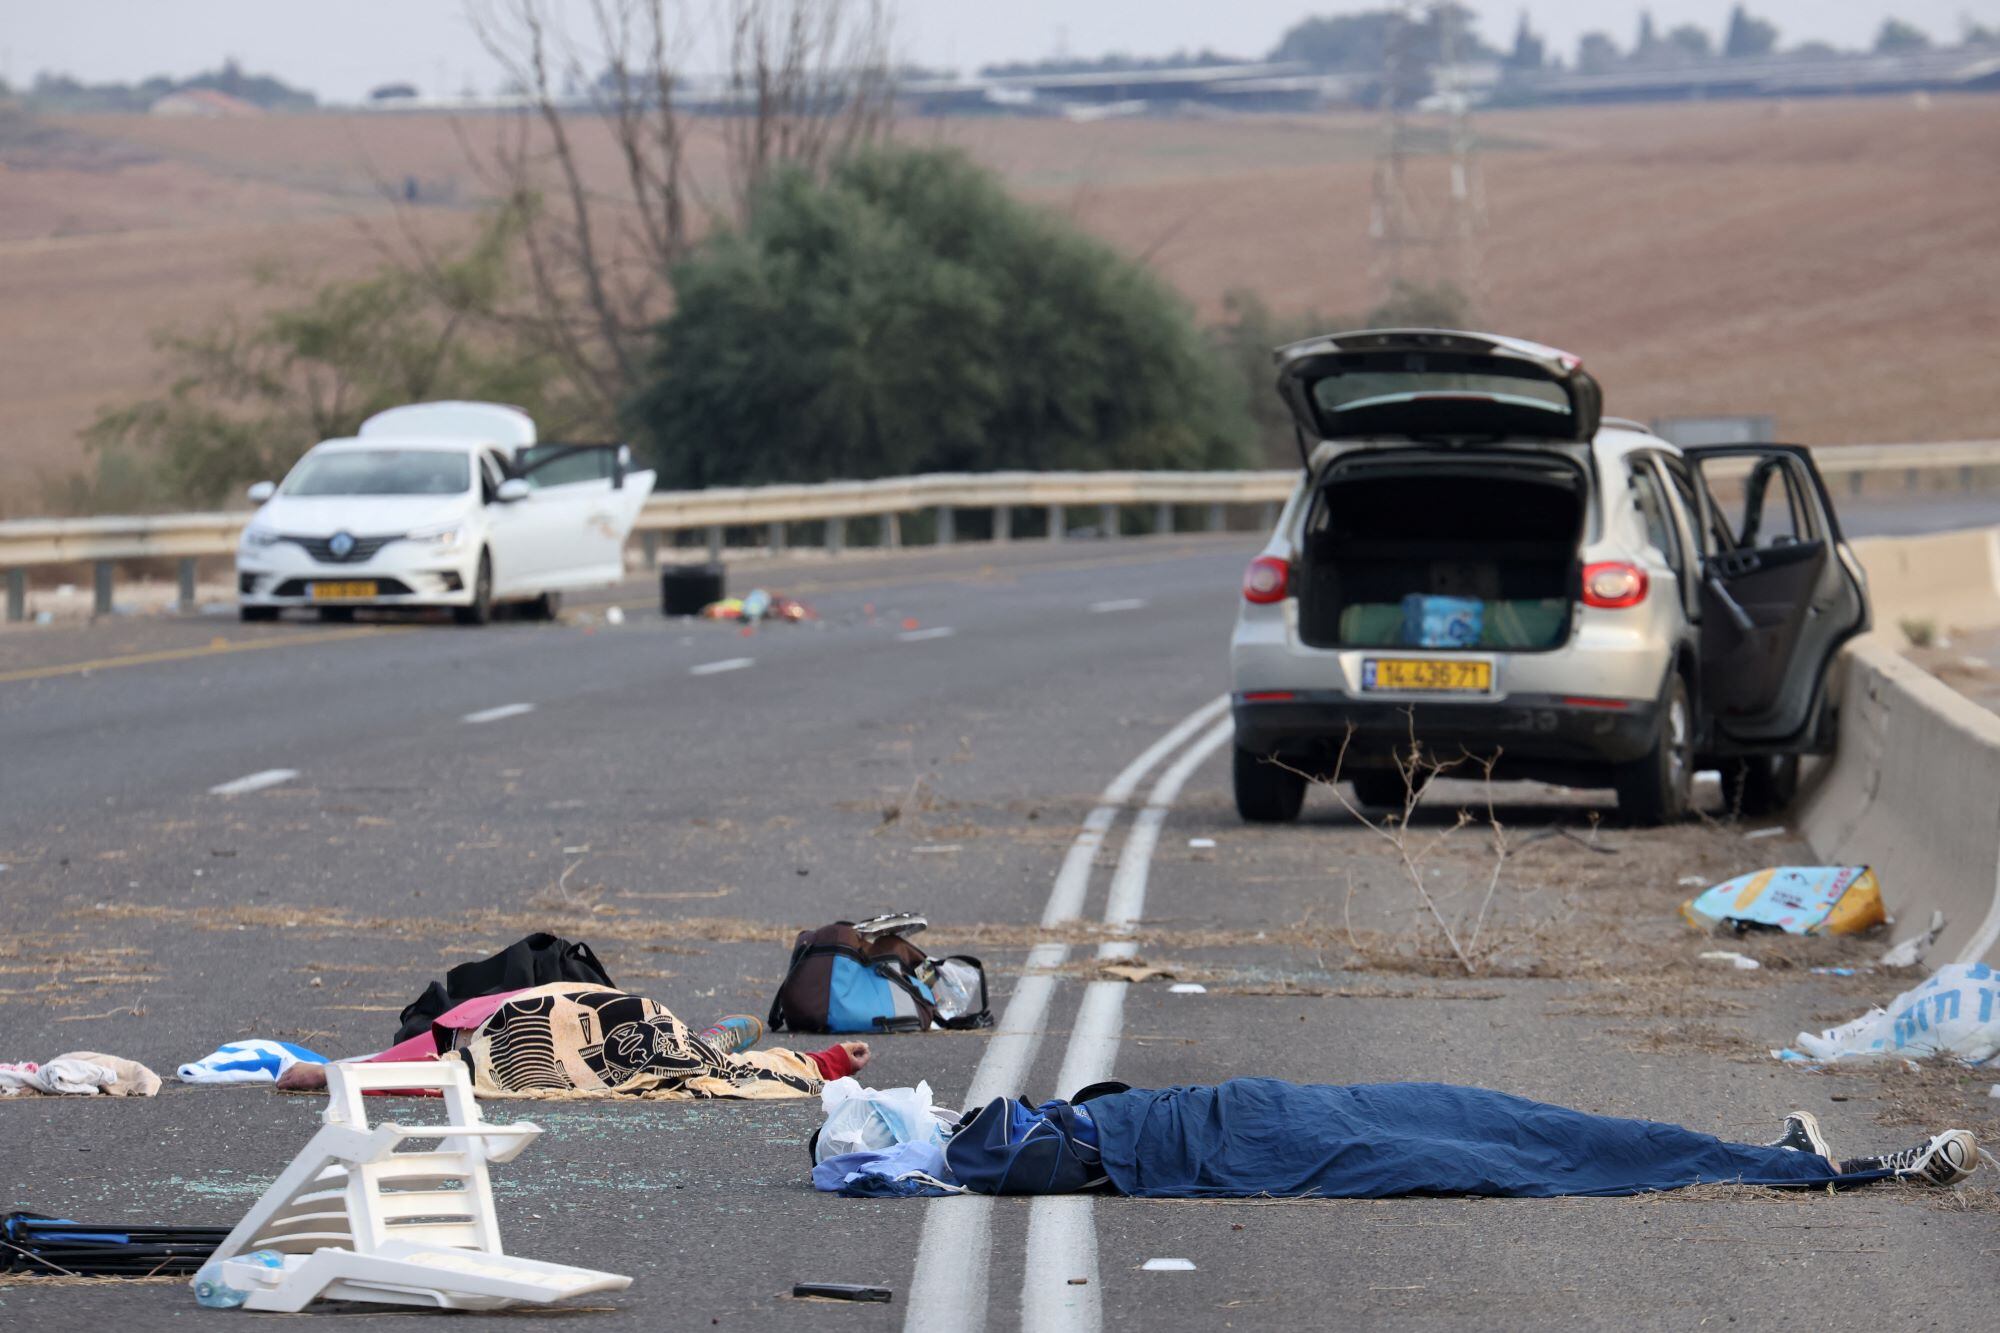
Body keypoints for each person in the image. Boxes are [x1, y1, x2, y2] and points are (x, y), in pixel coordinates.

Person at [939, 1079, 1980, 1199]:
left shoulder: (1060, 1128)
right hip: (1278, 1131)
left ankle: (1784, 1159)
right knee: (1529, 1149)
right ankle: (1812, 1167)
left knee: (1527, 1130)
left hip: (1300, 1113)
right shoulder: (1061, 1143)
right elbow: (995, 1153)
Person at [278, 982, 869, 1100]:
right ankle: (720, 1032)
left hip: (642, 1025)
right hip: (630, 1021)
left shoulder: (466, 1041)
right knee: (708, 1059)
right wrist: (828, 1061)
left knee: (702, 1059)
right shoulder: (473, 1025)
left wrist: (332, 1074)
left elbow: (423, 1067)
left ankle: (719, 1032)